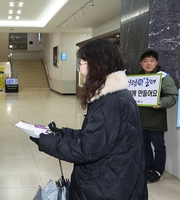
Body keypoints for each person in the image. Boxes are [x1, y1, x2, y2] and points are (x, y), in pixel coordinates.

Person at [30, 39, 148, 200]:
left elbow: (87, 150)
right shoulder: (114, 96)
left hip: (106, 186)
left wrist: (47, 142)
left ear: (98, 64)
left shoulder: (110, 102)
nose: (79, 68)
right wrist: (63, 133)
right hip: (112, 179)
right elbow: (98, 137)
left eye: (83, 63)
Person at [138, 49, 178, 183]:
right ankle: (147, 168)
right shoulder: (137, 78)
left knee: (159, 147)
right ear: (141, 63)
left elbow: (173, 96)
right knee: (144, 146)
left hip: (156, 120)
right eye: (145, 61)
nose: (148, 64)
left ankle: (157, 170)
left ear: (156, 62)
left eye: (152, 60)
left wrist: (161, 103)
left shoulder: (163, 77)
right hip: (140, 120)